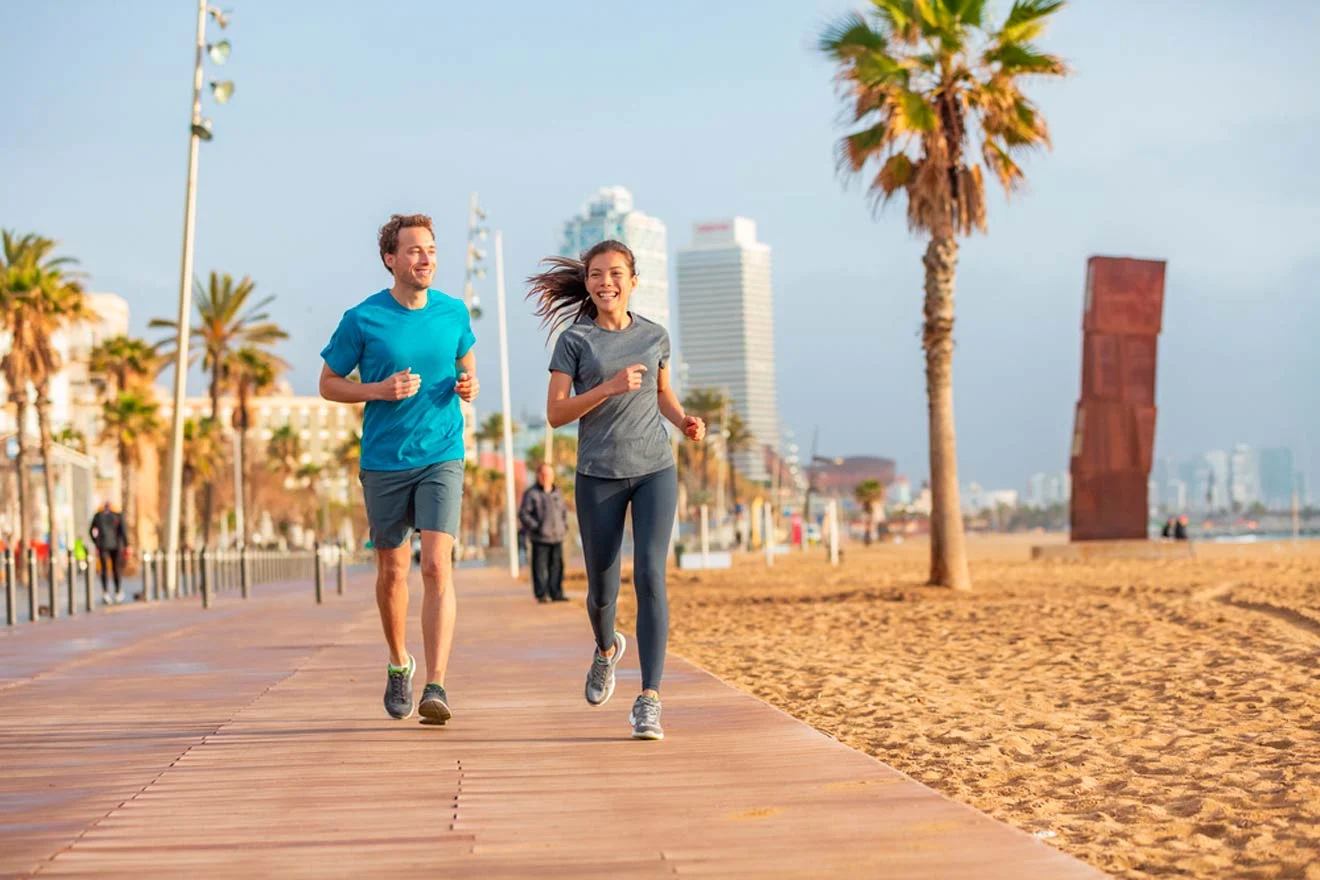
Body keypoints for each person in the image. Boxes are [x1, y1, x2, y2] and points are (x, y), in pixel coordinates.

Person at [529, 240, 705, 741]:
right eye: (596, 275)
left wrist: (684, 420)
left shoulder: (656, 336)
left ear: (633, 279)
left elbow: (662, 392)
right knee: (602, 590)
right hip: (598, 475)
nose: (606, 282)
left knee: (650, 574)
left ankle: (649, 698)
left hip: (654, 470)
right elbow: (556, 414)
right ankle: (606, 650)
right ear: (587, 283)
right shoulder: (574, 341)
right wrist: (606, 388)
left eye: (615, 273)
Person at [319, 213, 479, 724]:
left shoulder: (453, 312)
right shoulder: (363, 319)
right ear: (391, 259)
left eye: (430, 249)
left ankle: (436, 685)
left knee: (435, 565)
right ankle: (398, 663)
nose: (425, 258)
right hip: (384, 459)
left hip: (442, 454)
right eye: (413, 250)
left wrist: (468, 386)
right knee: (392, 570)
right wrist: (376, 390)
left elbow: (466, 365)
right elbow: (328, 382)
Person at [519, 462, 570, 604]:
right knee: (540, 568)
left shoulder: (557, 492)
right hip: (540, 538)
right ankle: (541, 594)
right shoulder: (531, 493)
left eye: (549, 474)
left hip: (557, 537)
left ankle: (556, 593)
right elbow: (524, 514)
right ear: (538, 476)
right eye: (543, 474)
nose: (546, 477)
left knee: (557, 567)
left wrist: (564, 526)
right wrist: (537, 527)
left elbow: (563, 512)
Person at [88, 501, 127, 603]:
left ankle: (105, 593)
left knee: (104, 569)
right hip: (116, 546)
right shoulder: (118, 516)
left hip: (103, 545)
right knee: (116, 569)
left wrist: (96, 541)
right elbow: (123, 531)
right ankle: (117, 592)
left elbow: (91, 530)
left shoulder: (98, 516)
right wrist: (126, 545)